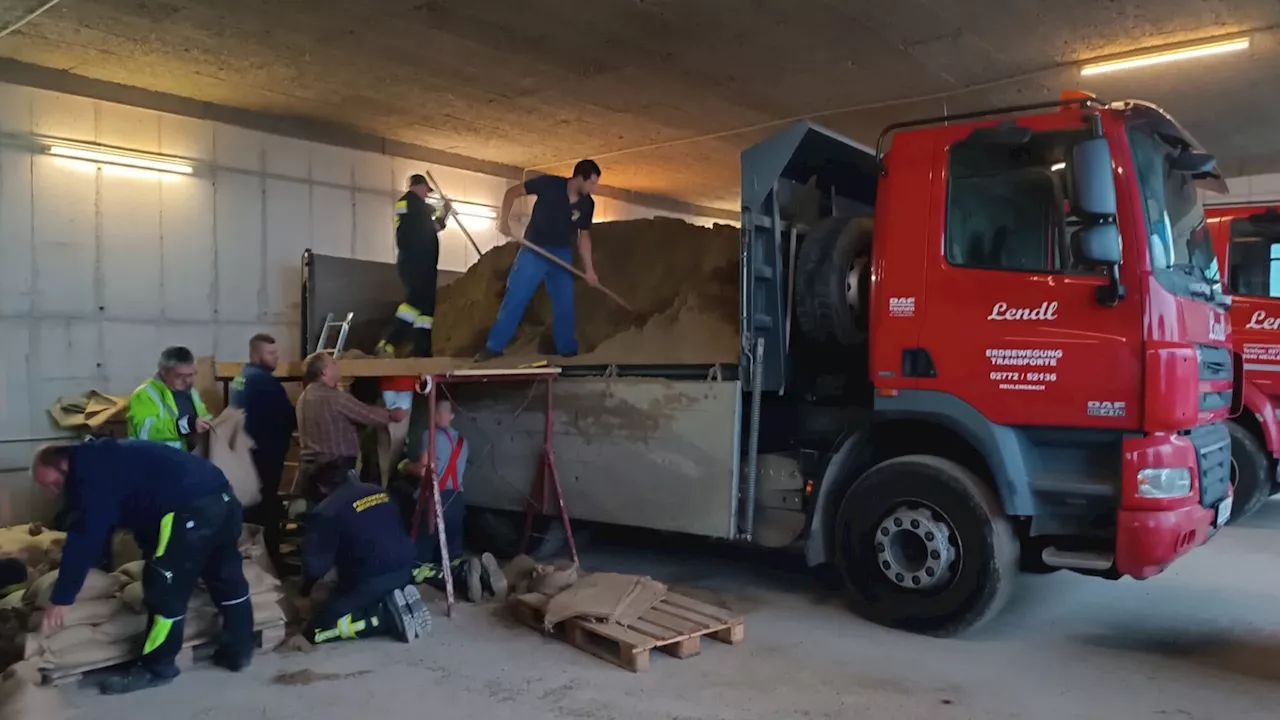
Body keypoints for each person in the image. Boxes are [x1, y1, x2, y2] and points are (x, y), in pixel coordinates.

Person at [29, 439, 253, 695]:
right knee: (225, 576)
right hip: (222, 498)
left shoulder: (89, 475)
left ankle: (157, 668)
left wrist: (63, 596)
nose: (53, 492)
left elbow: (85, 536)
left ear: (62, 465)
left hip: (189, 512)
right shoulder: (104, 455)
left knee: (164, 591)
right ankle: (239, 650)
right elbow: (124, 514)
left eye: (52, 483)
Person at [476, 160, 602, 361]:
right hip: (534, 250)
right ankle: (493, 346)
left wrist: (590, 270)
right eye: (591, 183)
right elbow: (512, 192)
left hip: (561, 254)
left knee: (565, 302)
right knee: (516, 296)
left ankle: (567, 351)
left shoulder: (587, 204)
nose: (593, 188)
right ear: (579, 178)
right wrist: (504, 220)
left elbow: (583, 236)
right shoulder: (550, 184)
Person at [300, 468, 431, 645]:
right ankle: (394, 601)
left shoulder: (326, 510)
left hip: (372, 579)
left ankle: (384, 619)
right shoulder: (378, 491)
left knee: (315, 630)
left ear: (321, 487)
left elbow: (315, 568)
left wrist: (305, 591)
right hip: (405, 569)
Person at [396, 399, 506, 602]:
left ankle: (463, 578)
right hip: (457, 500)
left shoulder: (429, 435)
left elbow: (423, 469)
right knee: (451, 556)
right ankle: (476, 573)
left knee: (420, 562)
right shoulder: (463, 442)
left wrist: (403, 466)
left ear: (434, 416)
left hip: (434, 501)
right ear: (452, 416)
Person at [296, 352, 407, 502]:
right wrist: (392, 415)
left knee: (318, 512)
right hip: (333, 472)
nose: (338, 365)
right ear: (324, 371)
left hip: (309, 470)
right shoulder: (334, 397)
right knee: (341, 511)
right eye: (334, 363)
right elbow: (366, 414)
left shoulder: (304, 397)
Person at [229, 333, 295, 569]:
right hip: (265, 456)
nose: (276, 357)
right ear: (257, 355)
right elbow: (289, 416)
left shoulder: (241, 377)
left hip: (245, 455)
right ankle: (271, 563)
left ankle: (253, 560)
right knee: (267, 510)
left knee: (253, 509)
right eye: (271, 353)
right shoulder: (264, 382)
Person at [376, 174, 450, 358]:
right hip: (413, 263)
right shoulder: (407, 203)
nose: (426, 195)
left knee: (425, 311)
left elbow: (432, 226)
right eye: (426, 190)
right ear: (418, 186)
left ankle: (422, 351)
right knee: (414, 302)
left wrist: (444, 214)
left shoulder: (421, 214)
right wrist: (440, 208)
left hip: (426, 266)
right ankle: (388, 342)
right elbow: (422, 214)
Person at [127, 346, 212, 450]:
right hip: (157, 459)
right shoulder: (144, 394)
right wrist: (183, 426)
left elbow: (202, 417)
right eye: (179, 376)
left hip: (189, 455)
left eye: (190, 375)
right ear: (163, 372)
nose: (186, 381)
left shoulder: (190, 392)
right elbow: (144, 431)